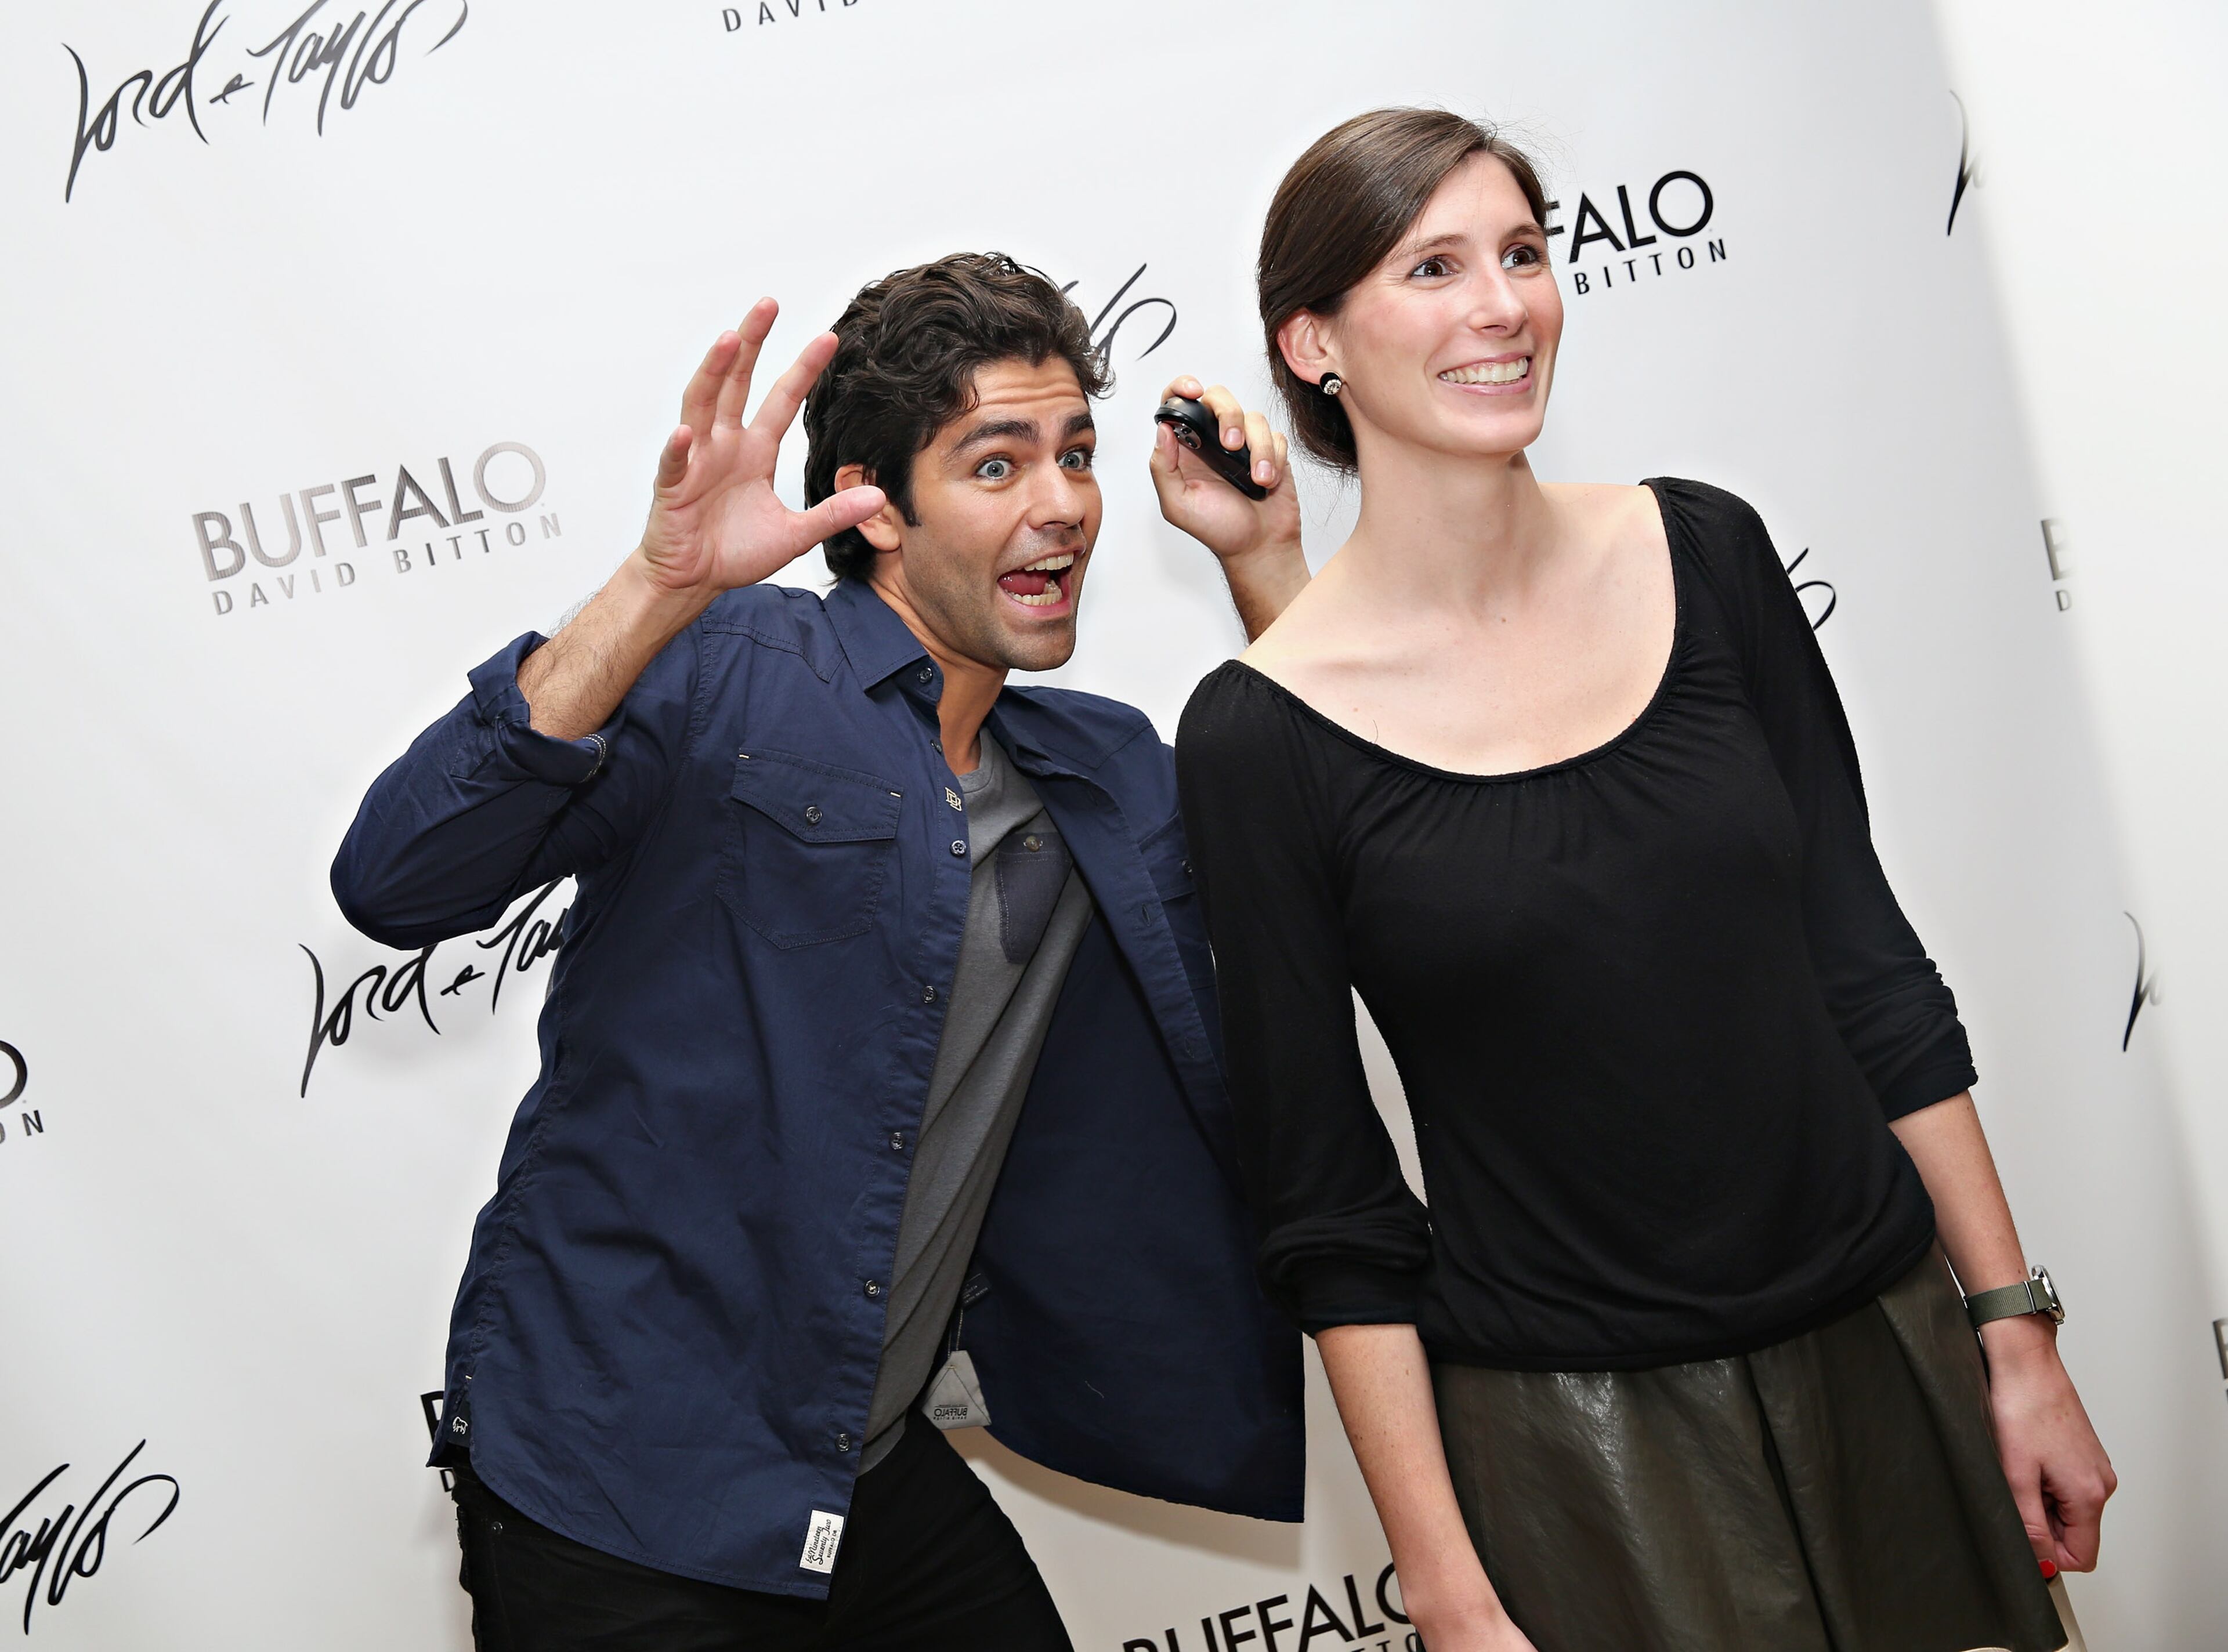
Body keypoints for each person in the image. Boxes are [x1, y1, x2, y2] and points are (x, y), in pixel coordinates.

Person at [1171, 109, 2116, 1652]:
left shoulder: (1714, 555)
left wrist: (2015, 1337)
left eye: (1526, 255)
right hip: (1572, 1448)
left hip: (1890, 1347)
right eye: (1435, 267)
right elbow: (1328, 1202)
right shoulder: (1258, 738)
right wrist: (1456, 1595)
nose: (1503, 305)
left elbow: (1870, 973)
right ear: (1314, 344)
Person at [330, 253, 1312, 1651]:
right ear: (876, 504)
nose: (1062, 504)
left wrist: (1266, 562)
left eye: (1077, 453)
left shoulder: (1101, 776)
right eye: (996, 462)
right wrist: (658, 584)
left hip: (860, 1470)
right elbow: (393, 878)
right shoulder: (722, 663)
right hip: (617, 1478)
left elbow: (1340, 861)